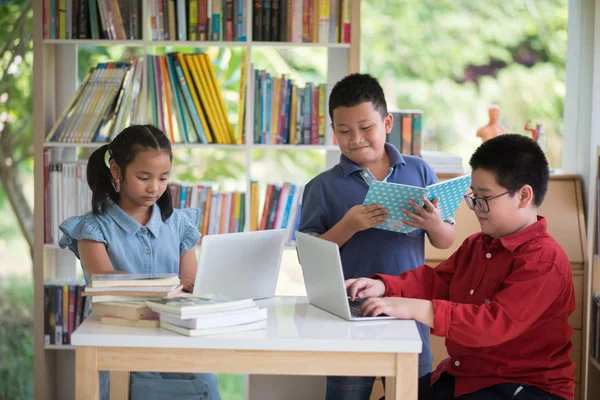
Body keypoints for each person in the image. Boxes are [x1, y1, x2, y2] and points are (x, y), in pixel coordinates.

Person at [347, 134, 574, 400]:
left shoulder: (544, 260)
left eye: (485, 198)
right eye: (473, 197)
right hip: (468, 379)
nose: (476, 207)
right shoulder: (477, 244)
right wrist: (384, 286)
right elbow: (436, 282)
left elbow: (493, 324)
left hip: (521, 387)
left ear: (523, 196)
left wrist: (412, 307)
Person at [298, 73, 456, 400]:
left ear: (386, 122)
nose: (355, 139)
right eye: (344, 131)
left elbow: (445, 241)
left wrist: (433, 223)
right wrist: (348, 226)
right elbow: (307, 256)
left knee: (412, 394)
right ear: (334, 132)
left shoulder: (419, 171)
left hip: (409, 311)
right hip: (350, 315)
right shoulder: (322, 187)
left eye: (365, 127)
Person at [59, 125, 221, 400]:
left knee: (206, 385)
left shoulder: (180, 224)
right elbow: (107, 283)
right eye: (143, 177)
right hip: (119, 344)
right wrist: (171, 285)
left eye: (163, 178)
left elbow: (191, 285)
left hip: (176, 340)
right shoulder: (91, 228)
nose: (154, 188)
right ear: (115, 170)